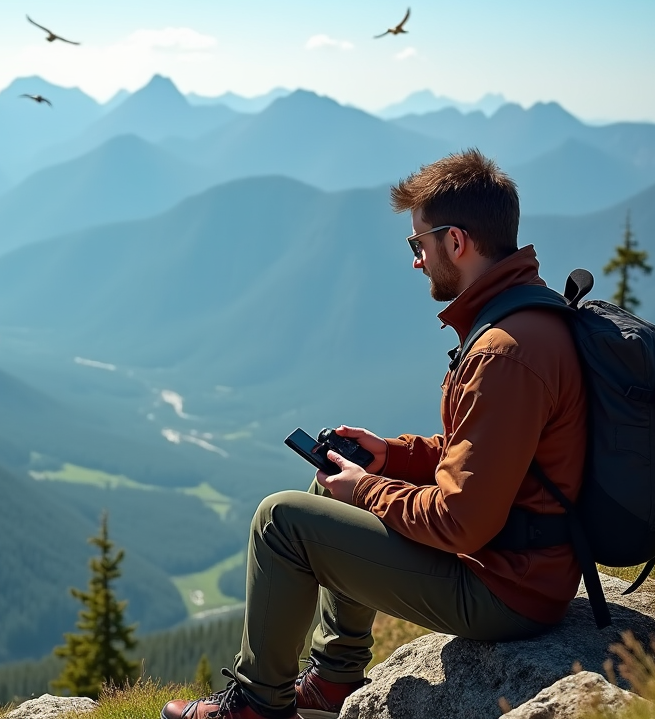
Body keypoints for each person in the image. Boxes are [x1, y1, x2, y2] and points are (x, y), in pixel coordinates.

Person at [161, 150, 587, 719]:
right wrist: (392, 456)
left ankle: (258, 705)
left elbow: (464, 520)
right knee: (327, 489)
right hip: (523, 566)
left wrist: (366, 490)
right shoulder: (524, 320)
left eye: (418, 245)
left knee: (280, 522)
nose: (415, 262)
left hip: (508, 591)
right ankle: (336, 680)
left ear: (455, 242)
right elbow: (490, 459)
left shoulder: (504, 353)